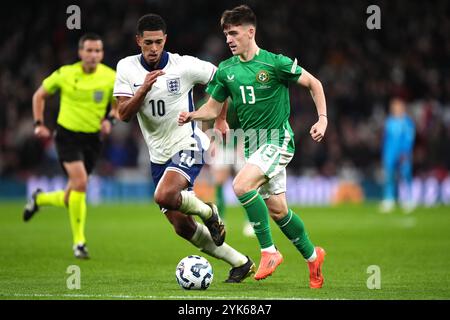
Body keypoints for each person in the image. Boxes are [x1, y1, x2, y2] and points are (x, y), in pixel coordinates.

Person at [178, 5, 327, 288]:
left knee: (241, 186)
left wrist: (322, 119)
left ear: (250, 32)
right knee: (279, 211)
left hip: (277, 140)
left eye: (233, 33)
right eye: (225, 35)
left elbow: (314, 84)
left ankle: (269, 252)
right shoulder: (226, 70)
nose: (229, 40)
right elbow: (212, 107)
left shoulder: (275, 64)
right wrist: (193, 116)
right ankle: (312, 256)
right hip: (250, 146)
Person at [113, 14, 255, 283]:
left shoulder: (184, 66)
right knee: (181, 225)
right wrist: (142, 90)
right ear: (138, 42)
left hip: (189, 143)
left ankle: (209, 212)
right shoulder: (126, 68)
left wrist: (221, 117)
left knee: (164, 195)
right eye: (147, 43)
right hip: (157, 156)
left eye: (158, 42)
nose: (153, 48)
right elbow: (123, 114)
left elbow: (222, 78)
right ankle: (240, 262)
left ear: (165, 40)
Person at [23, 33, 117, 259]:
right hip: (67, 136)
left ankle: (39, 199)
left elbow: (116, 105)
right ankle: (79, 243)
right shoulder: (66, 73)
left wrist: (110, 120)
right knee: (81, 182)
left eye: (97, 51)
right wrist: (38, 124)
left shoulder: (110, 77)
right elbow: (39, 96)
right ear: (80, 52)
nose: (93, 55)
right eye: (89, 50)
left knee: (71, 195)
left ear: (102, 54)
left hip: (93, 139)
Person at [210, 99, 254, 237]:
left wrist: (242, 143)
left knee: (245, 184)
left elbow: (246, 121)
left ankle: (251, 222)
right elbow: (206, 124)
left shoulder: (235, 102)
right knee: (219, 181)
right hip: (222, 145)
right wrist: (212, 142)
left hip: (239, 144)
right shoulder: (206, 103)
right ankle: (220, 220)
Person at [380, 97, 416, 213]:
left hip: (403, 154)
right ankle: (389, 199)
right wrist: (385, 153)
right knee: (389, 177)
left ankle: (408, 199)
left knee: (405, 176)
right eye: (393, 107)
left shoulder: (407, 122)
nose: (395, 109)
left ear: (402, 108)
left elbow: (409, 139)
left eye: (397, 106)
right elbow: (385, 139)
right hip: (390, 153)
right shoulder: (389, 121)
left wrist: (405, 152)